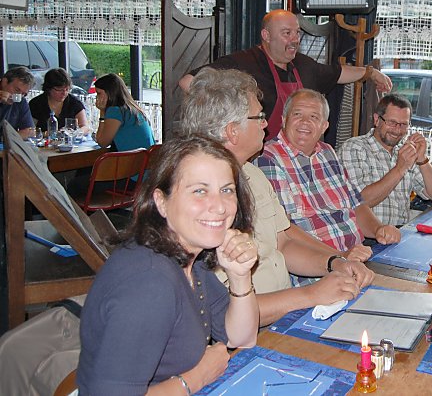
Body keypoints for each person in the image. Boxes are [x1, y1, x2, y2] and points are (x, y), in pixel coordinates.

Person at [181, 68, 374, 325]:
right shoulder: (199, 200)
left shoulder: (252, 174)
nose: (265, 123)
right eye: (258, 117)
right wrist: (310, 294)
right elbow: (223, 312)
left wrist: (335, 263)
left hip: (287, 310)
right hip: (247, 332)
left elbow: (283, 243)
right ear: (232, 131)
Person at [77, 135, 260, 394]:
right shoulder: (149, 283)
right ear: (161, 201)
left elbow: (242, 338)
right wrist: (197, 377)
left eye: (226, 190)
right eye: (200, 191)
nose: (219, 206)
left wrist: (240, 276)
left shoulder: (189, 257)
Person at [255, 89, 401, 284]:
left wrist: (378, 230)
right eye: (297, 114)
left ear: (324, 126)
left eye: (314, 117)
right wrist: (339, 257)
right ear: (284, 120)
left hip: (356, 259)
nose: (305, 122)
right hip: (315, 275)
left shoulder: (327, 152)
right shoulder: (268, 159)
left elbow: (356, 205)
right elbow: (286, 231)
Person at [178, 9, 392, 138]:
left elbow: (338, 73)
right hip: (257, 158)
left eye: (297, 33)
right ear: (266, 35)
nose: (295, 39)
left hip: (293, 157)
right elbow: (188, 81)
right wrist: (228, 113)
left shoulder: (302, 64)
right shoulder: (242, 62)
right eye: (287, 33)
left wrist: (371, 73)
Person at [339, 94, 432, 226]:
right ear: (377, 119)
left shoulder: (406, 151)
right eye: (392, 123)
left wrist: (422, 159)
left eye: (403, 125)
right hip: (366, 238)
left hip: (401, 234)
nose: (397, 130)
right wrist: (400, 169)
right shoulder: (354, 148)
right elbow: (361, 201)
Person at [93, 73, 155, 151]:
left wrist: (102, 112)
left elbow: (102, 143)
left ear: (109, 92)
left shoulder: (115, 111)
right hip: (147, 158)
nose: (97, 97)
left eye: (99, 93)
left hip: (133, 160)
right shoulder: (132, 108)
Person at [28, 68, 88, 133]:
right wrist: (44, 134)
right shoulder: (36, 104)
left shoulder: (74, 103)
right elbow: (30, 129)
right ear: (49, 88)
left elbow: (85, 127)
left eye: (67, 89)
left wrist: (77, 132)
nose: (64, 93)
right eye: (59, 89)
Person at [0, 67, 34, 139]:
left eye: (23, 94)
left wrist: (5, 139)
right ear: (4, 82)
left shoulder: (21, 101)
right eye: (17, 90)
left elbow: (29, 131)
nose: (19, 96)